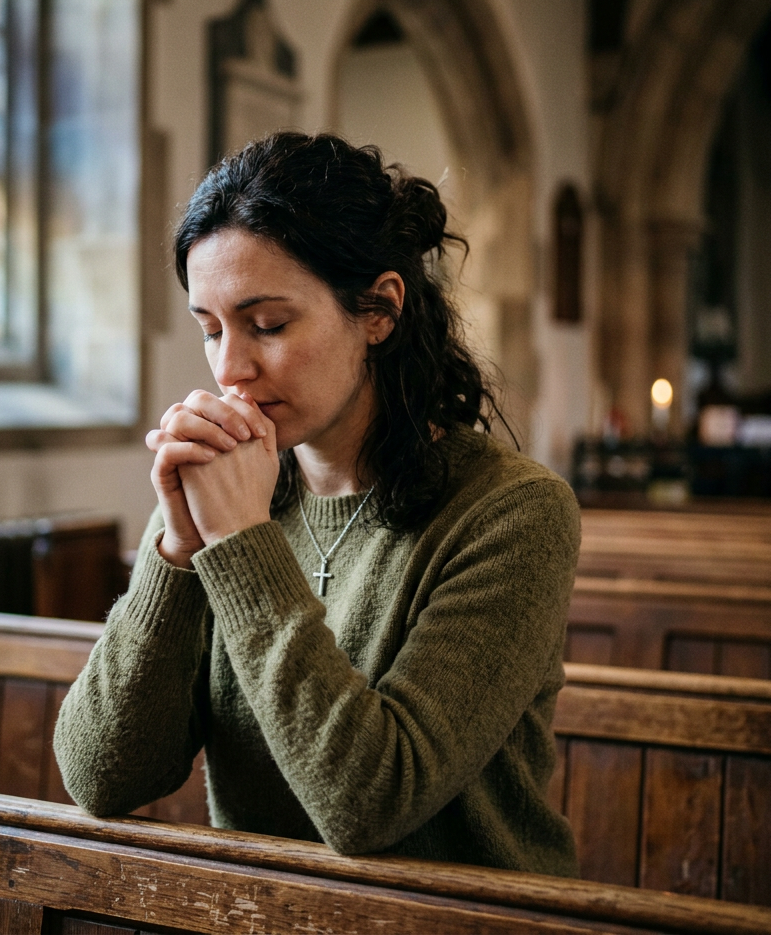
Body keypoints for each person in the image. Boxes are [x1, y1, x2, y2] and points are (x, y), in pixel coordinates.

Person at [54, 132, 580, 876]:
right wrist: (174, 553)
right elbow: (102, 776)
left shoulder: (513, 514)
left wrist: (237, 543)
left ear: (379, 309)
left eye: (267, 325)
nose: (230, 369)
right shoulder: (226, 490)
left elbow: (369, 802)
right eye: (211, 329)